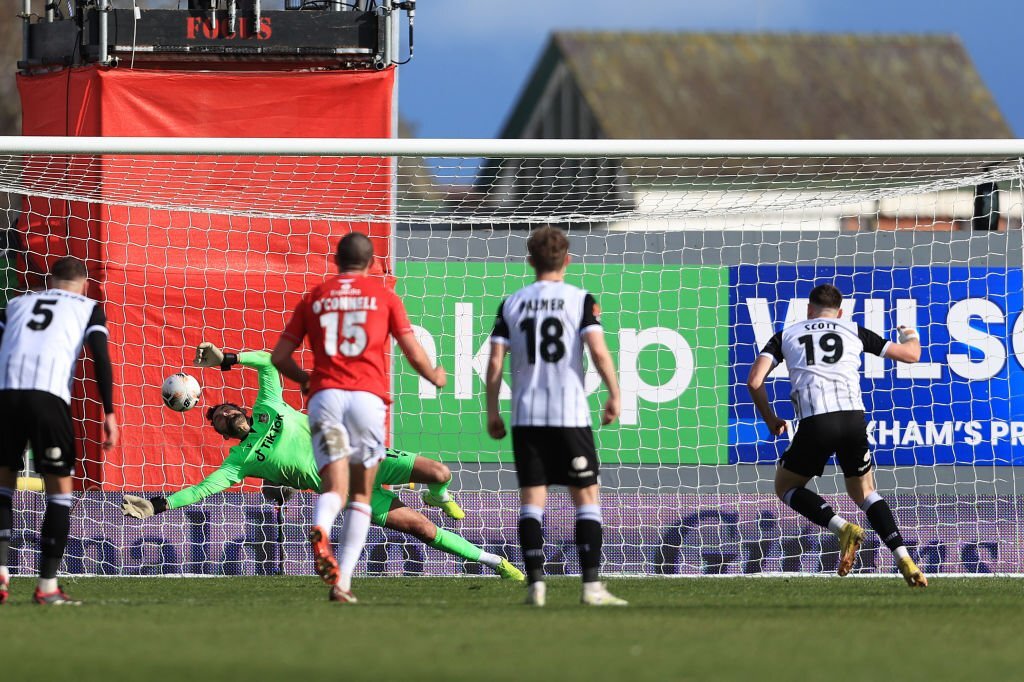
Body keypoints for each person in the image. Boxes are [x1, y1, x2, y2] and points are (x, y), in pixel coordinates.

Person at [121, 343, 522, 582]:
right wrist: (158, 505)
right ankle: (496, 562)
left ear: (239, 406)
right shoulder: (240, 461)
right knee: (423, 530)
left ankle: (438, 494)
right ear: (226, 435)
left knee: (440, 473)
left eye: (225, 410)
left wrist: (226, 358)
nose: (223, 416)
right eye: (220, 422)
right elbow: (201, 489)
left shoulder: (269, 407)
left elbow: (268, 362)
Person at [271, 232, 447, 602]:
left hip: (326, 400)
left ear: (336, 260)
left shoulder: (315, 297)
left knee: (334, 487)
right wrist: (434, 375)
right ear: (370, 264)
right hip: (366, 402)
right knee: (362, 496)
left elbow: (279, 358)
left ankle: (321, 525)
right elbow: (412, 349)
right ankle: (343, 583)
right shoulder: (384, 296)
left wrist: (306, 379)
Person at [746, 283, 928, 587]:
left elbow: (754, 381)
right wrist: (911, 335)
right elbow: (912, 355)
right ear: (839, 312)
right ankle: (903, 558)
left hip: (816, 422)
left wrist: (770, 419)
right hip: (853, 419)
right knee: (866, 492)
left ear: (808, 310)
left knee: (787, 486)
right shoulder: (852, 329)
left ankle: (842, 527)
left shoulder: (787, 334)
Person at [485, 226, 626, 607]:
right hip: (569, 413)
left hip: (527, 416)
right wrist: (614, 393)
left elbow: (496, 362)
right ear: (567, 260)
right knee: (586, 497)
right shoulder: (580, 300)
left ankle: (535, 585)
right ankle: (591, 587)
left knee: (532, 500)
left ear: (530, 261)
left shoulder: (511, 303)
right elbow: (597, 350)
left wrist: (493, 411)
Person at [0, 256, 118, 606]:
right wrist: (109, 411)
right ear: (84, 284)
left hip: (6, 397)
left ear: (50, 281)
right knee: (59, 491)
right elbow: (100, 355)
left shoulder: (16, 303)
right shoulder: (88, 307)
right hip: (47, 398)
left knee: (3, 486)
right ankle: (47, 586)